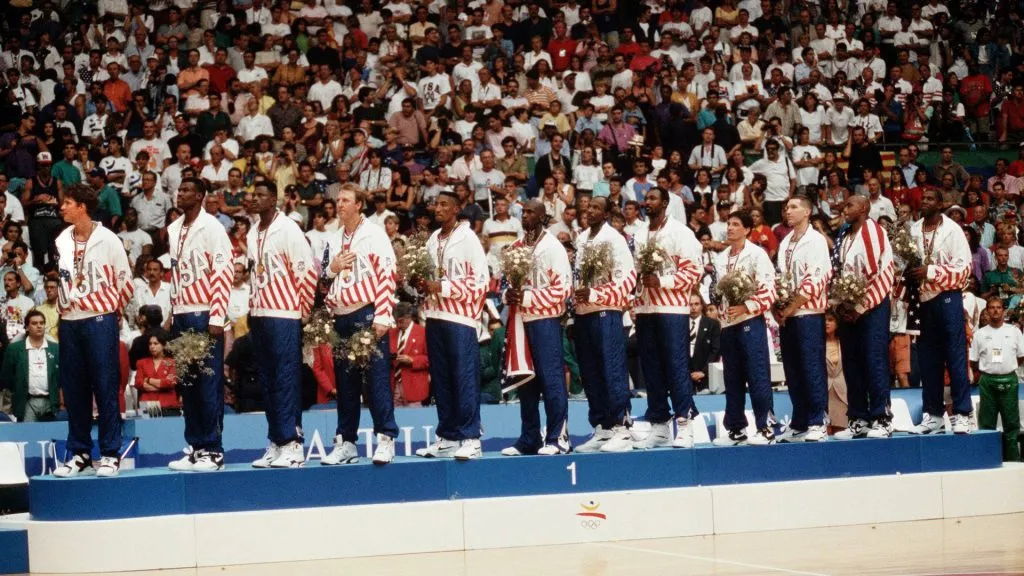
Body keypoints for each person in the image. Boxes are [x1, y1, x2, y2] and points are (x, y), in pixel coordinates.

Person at [52, 184, 134, 478]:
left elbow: (125, 282)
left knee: (105, 386)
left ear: (82, 207)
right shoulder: (62, 239)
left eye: (67, 203)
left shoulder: (108, 239)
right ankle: (80, 453)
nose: (62, 207)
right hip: (69, 320)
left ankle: (110, 453)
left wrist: (109, 309)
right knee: (74, 390)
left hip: (99, 318)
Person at [320, 186, 399, 466]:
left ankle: (386, 438)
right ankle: (347, 442)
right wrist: (333, 269)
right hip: (340, 315)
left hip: (366, 312)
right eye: (337, 200)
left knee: (376, 379)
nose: (339, 204)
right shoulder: (332, 239)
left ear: (359, 205)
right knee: (346, 383)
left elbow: (388, 274)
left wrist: (382, 315)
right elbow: (323, 280)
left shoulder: (374, 234)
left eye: (345, 200)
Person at [165, 177, 234, 472]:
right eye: (179, 190)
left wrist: (217, 315)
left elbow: (223, 270)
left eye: (187, 190)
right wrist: (172, 310)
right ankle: (194, 446)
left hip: (204, 311)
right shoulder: (173, 228)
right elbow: (176, 273)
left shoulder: (213, 227)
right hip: (182, 311)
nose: (181, 194)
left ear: (201, 195)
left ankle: (213, 450)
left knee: (208, 383)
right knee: (189, 384)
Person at [414, 190, 488, 460]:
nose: (438, 208)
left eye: (445, 204)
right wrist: (420, 283)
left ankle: (471, 437)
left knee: (463, 377)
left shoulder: (468, 238)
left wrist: (442, 286)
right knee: (442, 379)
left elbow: (480, 282)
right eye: (436, 204)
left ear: (457, 209)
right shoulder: (433, 239)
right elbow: (428, 277)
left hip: (460, 318)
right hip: (434, 316)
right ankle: (447, 436)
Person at [247, 181, 316, 468]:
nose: (256, 199)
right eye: (254, 195)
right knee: (268, 380)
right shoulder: (253, 231)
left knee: (286, 378)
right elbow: (255, 273)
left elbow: (306, 270)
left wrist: (303, 310)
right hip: (260, 313)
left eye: (262, 196)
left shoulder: (287, 228)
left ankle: (293, 444)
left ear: (274, 199)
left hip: (285, 313)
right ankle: (276, 441)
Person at [632, 188, 703, 449]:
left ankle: (685, 425)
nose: (646, 202)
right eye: (645, 198)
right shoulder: (639, 233)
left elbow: (694, 272)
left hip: (672, 309)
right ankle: (659, 426)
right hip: (645, 309)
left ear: (664, 203)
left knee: (676, 367)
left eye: (652, 199)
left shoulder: (681, 232)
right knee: (651, 369)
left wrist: (662, 281)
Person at [500, 199, 572, 456]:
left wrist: (527, 298)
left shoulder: (553, 247)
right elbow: (505, 284)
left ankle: (558, 437)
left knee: (551, 379)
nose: (525, 216)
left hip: (545, 321)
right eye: (523, 212)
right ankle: (529, 438)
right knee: (525, 379)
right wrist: (507, 295)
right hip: (520, 321)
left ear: (543, 217)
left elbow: (563, 290)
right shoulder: (516, 247)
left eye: (531, 212)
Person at [573, 196, 637, 453]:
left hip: (606, 311)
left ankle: (622, 427)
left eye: (596, 208)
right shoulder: (581, 238)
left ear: (608, 212)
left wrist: (596, 295)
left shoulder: (614, 238)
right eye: (588, 207)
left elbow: (627, 279)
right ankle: (602, 427)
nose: (589, 211)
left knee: (611, 369)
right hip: (583, 313)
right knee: (590, 372)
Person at [908, 188, 973, 435]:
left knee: (955, 356)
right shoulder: (913, 230)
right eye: (922, 199)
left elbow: (964, 270)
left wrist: (931, 271)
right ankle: (933, 414)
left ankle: (963, 413)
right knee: (928, 360)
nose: (924, 202)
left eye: (930, 199)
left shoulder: (952, 230)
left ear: (941, 203)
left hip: (947, 298)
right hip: (921, 300)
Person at [833, 196, 896, 439]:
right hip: (849, 307)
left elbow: (874, 273)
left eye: (850, 205)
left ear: (864, 208)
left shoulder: (874, 231)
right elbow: (840, 271)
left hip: (873, 306)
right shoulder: (844, 235)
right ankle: (859, 418)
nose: (844, 209)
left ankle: (882, 418)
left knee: (874, 360)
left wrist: (860, 306)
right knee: (852, 362)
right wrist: (840, 304)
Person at [712, 210, 777, 446]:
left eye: (736, 224)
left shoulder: (757, 254)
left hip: (750, 321)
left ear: (747, 229)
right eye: (728, 224)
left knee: (757, 375)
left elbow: (770, 290)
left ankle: (766, 428)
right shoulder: (721, 258)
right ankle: (736, 429)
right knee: (732, 378)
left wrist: (746, 306)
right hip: (728, 325)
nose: (729, 228)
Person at [775, 195, 831, 443]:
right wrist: (779, 307)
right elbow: (781, 278)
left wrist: (791, 307)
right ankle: (799, 422)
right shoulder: (785, 241)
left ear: (807, 212)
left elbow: (816, 279)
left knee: (812, 367)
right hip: (788, 316)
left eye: (794, 207)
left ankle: (818, 420)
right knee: (793, 370)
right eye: (787, 207)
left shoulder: (816, 240)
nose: (788, 211)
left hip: (808, 313)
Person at [970, 297, 1023, 462]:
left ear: (1003, 310)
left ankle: (1013, 460)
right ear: (986, 311)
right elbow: (973, 361)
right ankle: (987, 460)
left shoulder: (1014, 331)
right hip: (988, 381)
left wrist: (1007, 366)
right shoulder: (979, 334)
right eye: (991, 308)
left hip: (1009, 379)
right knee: (986, 423)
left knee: (1012, 423)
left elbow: (1020, 357)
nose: (995, 311)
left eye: (998, 307)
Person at [0, 310, 59, 422]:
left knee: (52, 437)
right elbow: (7, 378)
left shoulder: (55, 349)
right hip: (26, 402)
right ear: (27, 327)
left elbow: (61, 377)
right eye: (34, 323)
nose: (39, 326)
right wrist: (19, 389)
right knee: (26, 437)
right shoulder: (14, 349)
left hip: (51, 402)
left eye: (42, 323)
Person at [390, 302, 429, 406]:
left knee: (414, 420)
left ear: (409, 317)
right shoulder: (391, 333)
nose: (398, 325)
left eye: (401, 321)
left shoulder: (423, 333)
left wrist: (413, 360)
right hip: (394, 388)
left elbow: (431, 359)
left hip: (414, 388)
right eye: (396, 322)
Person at [132, 332, 179, 412]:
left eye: (155, 343)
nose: (152, 346)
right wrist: (161, 386)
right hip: (148, 403)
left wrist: (148, 380)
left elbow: (170, 383)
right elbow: (138, 383)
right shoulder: (141, 363)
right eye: (150, 344)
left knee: (168, 424)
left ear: (163, 345)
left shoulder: (172, 362)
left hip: (168, 403)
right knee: (150, 424)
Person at [688, 293, 721, 394]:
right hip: (685, 377)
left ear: (702, 305)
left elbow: (716, 350)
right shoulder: (680, 324)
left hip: (706, 377)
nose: (693, 307)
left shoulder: (712, 324)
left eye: (696, 304)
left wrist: (703, 372)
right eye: (690, 304)